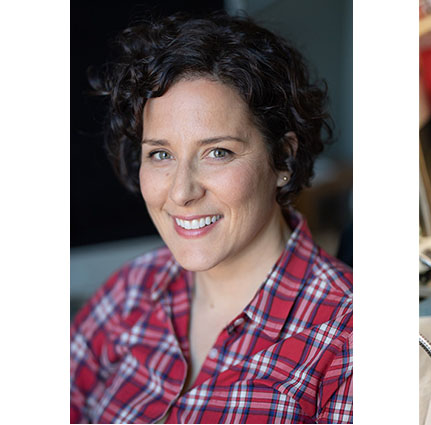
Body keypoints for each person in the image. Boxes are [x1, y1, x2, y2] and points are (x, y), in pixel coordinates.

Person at [70, 13, 352, 424]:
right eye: (160, 154)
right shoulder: (129, 292)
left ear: (283, 159)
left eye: (217, 152)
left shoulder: (345, 338)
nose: (182, 192)